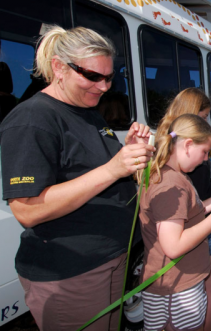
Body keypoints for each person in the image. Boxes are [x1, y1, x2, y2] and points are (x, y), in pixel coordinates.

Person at [0, 26, 155, 330]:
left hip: (110, 258)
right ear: (58, 67)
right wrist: (113, 168)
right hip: (71, 272)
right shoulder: (32, 119)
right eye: (93, 76)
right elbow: (27, 209)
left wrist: (129, 154)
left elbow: (89, 169)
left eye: (109, 77)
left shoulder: (88, 111)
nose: (103, 87)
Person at [139, 114, 211, 331]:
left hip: (180, 284)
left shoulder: (175, 176)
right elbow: (173, 246)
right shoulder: (170, 185)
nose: (205, 159)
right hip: (177, 291)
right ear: (188, 145)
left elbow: (188, 213)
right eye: (204, 152)